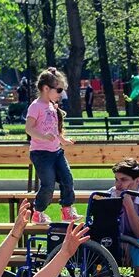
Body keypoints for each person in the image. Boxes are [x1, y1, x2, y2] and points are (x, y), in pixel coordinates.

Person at [27, 67, 80, 225]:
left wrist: (63, 140)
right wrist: (43, 137)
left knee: (67, 179)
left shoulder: (52, 106)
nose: (61, 94)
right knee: (48, 184)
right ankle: (38, 212)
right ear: (46, 88)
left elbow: (54, 129)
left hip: (56, 152)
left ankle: (67, 209)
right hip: (41, 154)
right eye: (59, 90)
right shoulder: (36, 106)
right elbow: (29, 128)